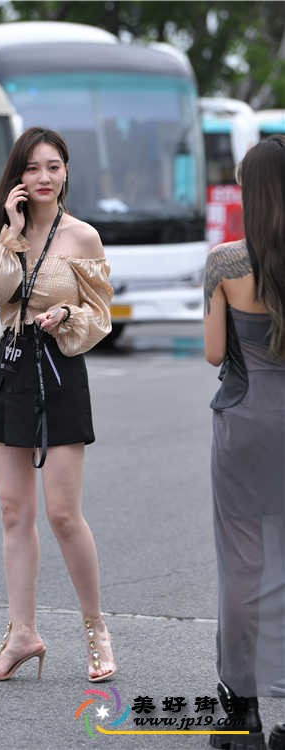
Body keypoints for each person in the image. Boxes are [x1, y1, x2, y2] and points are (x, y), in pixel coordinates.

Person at [0, 126, 116, 682]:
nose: (44, 177)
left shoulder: (83, 237)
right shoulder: (7, 233)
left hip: (59, 367)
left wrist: (67, 315)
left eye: (53, 166)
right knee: (13, 511)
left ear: (66, 171)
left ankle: (96, 629)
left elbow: (101, 314)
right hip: (11, 366)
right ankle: (22, 634)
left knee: (62, 514)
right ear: (17, 177)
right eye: (32, 168)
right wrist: (9, 232)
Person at [203, 135, 285, 750]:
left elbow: (213, 354)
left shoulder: (226, 263)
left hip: (245, 419)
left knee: (242, 564)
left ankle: (243, 717)